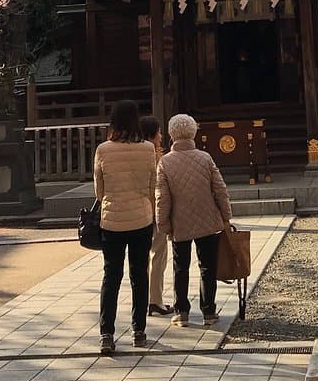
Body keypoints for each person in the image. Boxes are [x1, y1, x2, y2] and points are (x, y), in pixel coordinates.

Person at [156, 113, 232, 328]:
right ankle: (209, 311)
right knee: (207, 266)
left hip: (180, 223)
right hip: (208, 220)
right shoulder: (205, 158)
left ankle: (181, 312)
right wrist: (226, 215)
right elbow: (220, 189)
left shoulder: (165, 162)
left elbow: (162, 198)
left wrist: (164, 224)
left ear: (171, 134)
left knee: (180, 267)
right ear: (193, 132)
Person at [94, 100, 156, 355]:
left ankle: (107, 333)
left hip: (112, 220)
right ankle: (138, 330)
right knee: (139, 275)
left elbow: (99, 190)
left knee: (112, 276)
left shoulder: (103, 150)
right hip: (141, 217)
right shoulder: (149, 148)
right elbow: (152, 186)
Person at [139, 114, 173, 317]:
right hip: (156, 209)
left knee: (141, 258)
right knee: (159, 255)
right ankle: (155, 299)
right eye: (159, 132)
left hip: (138, 210)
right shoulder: (157, 157)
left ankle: (142, 299)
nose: (161, 136)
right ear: (152, 135)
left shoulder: (135, 153)